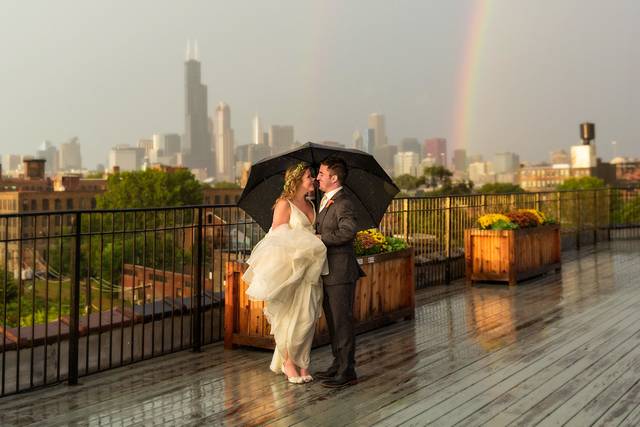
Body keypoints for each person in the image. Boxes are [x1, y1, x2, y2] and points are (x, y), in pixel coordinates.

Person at [242, 163, 328, 384]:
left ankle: (303, 361)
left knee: (308, 316)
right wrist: (310, 240)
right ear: (298, 179)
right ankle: (289, 362)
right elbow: (277, 237)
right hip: (290, 268)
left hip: (310, 267)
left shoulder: (311, 204)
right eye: (310, 176)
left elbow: (312, 232)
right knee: (288, 316)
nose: (314, 181)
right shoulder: (284, 204)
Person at [314, 156, 364, 388]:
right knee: (333, 321)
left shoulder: (343, 202)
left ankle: (347, 370)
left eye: (322, 174)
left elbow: (348, 232)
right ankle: (337, 364)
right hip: (328, 271)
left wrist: (319, 238)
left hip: (340, 272)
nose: (318, 177)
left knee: (342, 322)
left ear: (334, 178)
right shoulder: (326, 200)